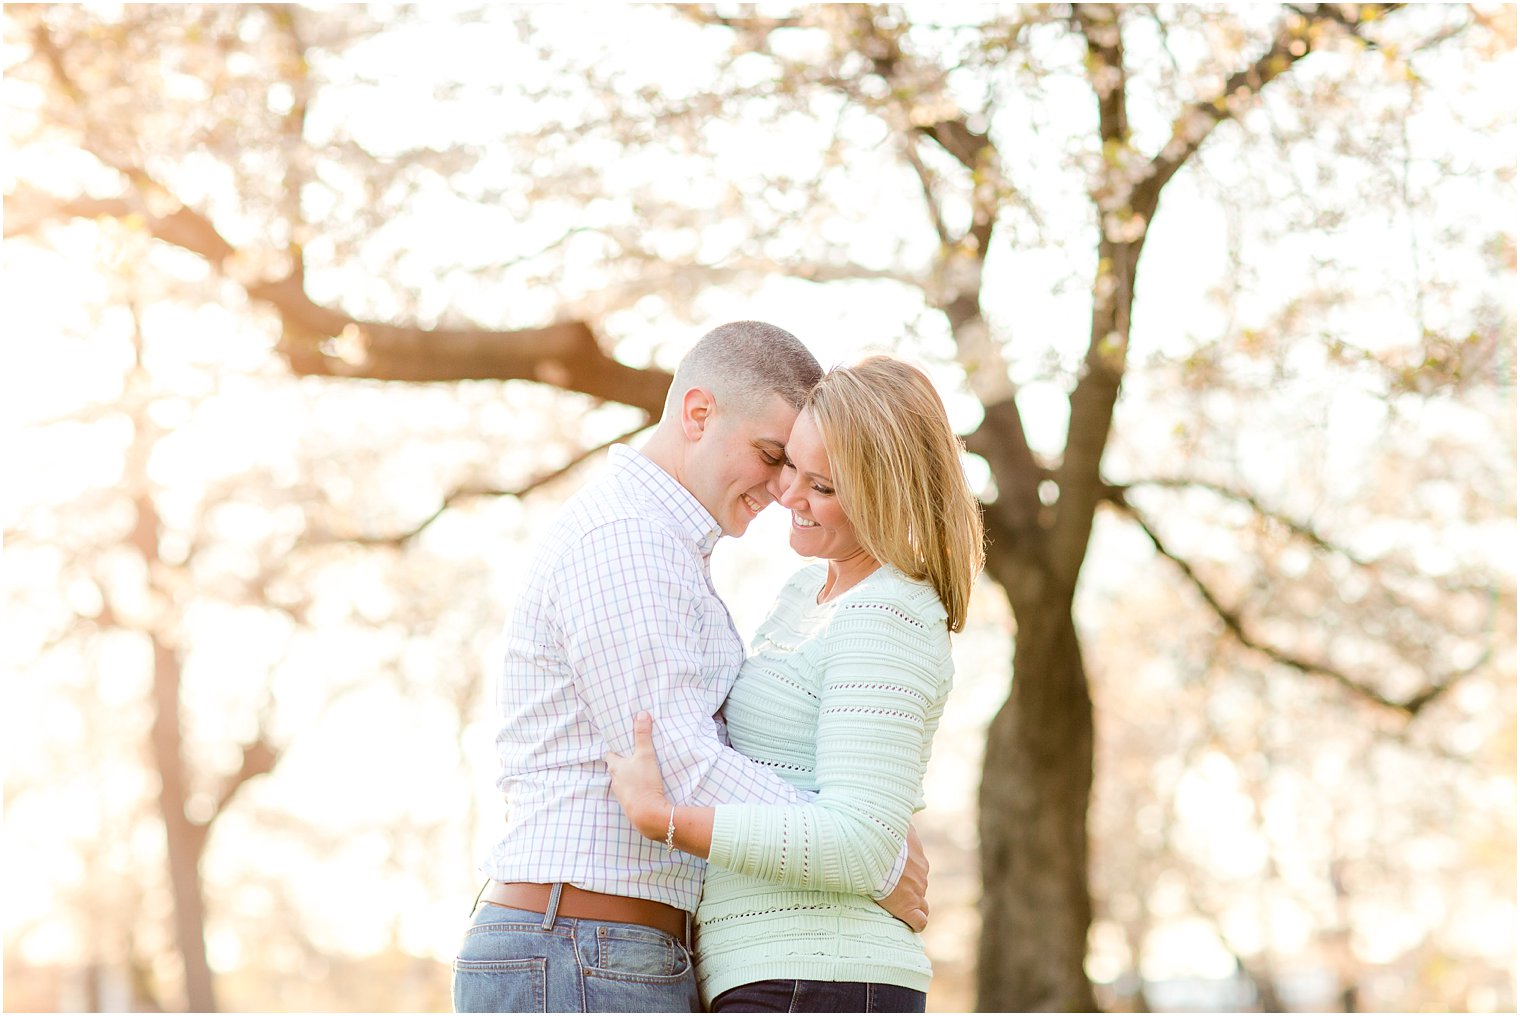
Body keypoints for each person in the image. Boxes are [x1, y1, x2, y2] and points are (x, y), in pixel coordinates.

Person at [452, 324, 927, 1014]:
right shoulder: (628, 544)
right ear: (698, 414)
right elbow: (677, 764)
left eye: (797, 467)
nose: (783, 487)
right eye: (772, 455)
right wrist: (869, 857)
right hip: (585, 946)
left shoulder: (665, 549)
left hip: (602, 947)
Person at [606, 355, 986, 1013]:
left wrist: (667, 821)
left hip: (820, 977)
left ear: (885, 495)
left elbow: (861, 849)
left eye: (823, 486)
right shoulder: (809, 591)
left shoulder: (886, 613)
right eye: (790, 468)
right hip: (774, 975)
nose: (789, 496)